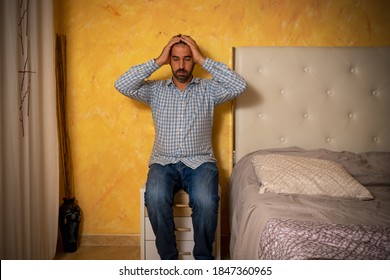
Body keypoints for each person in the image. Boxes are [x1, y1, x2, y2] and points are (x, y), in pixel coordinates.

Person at [114, 34, 246, 260]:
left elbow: (239, 85)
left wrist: (203, 59)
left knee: (206, 201)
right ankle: (169, 261)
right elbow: (122, 84)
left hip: (200, 162)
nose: (182, 65)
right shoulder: (155, 90)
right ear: (169, 60)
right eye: (175, 59)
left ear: (193, 60)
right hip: (163, 162)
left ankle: (203, 260)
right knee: (154, 197)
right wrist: (157, 60)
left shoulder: (209, 89)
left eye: (187, 58)